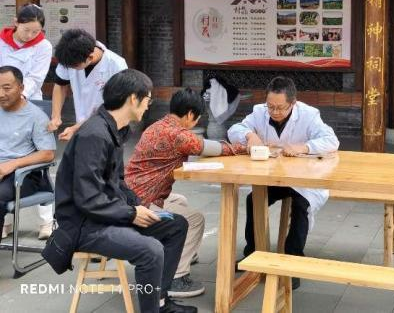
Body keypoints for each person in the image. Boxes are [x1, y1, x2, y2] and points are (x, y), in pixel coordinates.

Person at [53, 69, 196, 313]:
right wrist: (131, 214)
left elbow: (118, 181)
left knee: (176, 225)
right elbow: (88, 198)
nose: (148, 105)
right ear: (133, 98)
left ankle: (160, 302)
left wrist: (138, 206)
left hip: (107, 214)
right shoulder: (94, 134)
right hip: (84, 224)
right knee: (150, 250)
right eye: (148, 99)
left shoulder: (117, 129)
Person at [125, 88, 245, 298]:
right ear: (190, 114)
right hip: (142, 203)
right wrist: (246, 148)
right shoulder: (178, 135)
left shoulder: (157, 126)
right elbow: (215, 148)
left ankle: (180, 253)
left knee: (180, 200)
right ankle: (176, 277)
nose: (195, 122)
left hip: (130, 195)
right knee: (195, 219)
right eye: (196, 118)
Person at [228, 76, 339, 290]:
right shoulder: (259, 112)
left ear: (293, 103)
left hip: (303, 178)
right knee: (254, 199)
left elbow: (331, 140)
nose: (275, 112)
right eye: (271, 107)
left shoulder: (309, 114)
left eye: (280, 108)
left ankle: (292, 263)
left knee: (301, 205)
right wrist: (249, 135)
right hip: (274, 176)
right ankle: (253, 253)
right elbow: (234, 130)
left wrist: (303, 147)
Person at [0, 4, 55, 239]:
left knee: (34, 159)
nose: (31, 35)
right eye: (26, 30)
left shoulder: (43, 46)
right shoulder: (1, 41)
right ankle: (5, 222)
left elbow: (36, 77)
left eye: (36, 31)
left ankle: (46, 221)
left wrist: (19, 96)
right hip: (3, 99)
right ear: (16, 23)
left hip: (29, 101)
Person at [48, 29, 127, 142]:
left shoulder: (117, 65)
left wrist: (76, 128)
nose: (71, 69)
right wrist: (56, 116)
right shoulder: (68, 57)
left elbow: (113, 108)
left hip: (109, 127)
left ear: (90, 57)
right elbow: (61, 85)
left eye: (74, 67)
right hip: (82, 125)